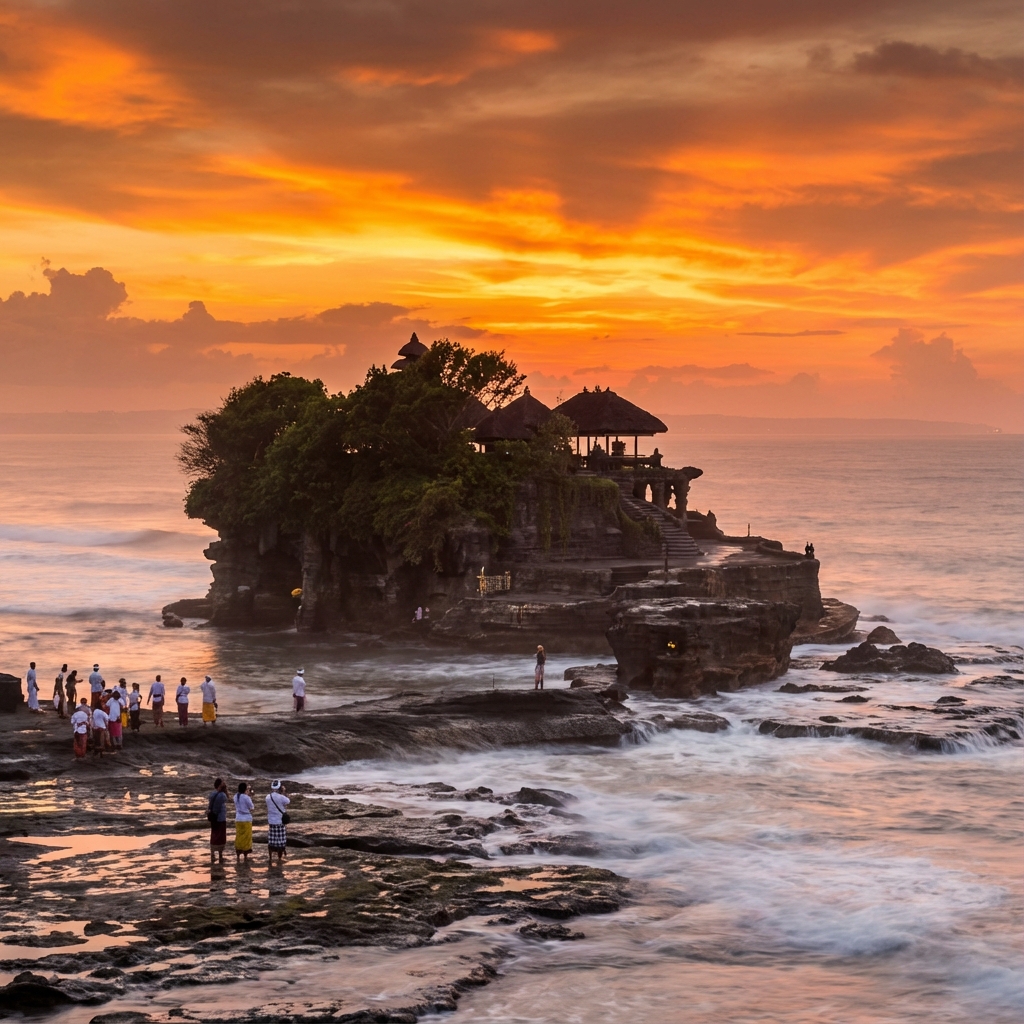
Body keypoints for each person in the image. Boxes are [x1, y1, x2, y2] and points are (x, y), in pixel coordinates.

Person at [266, 780, 290, 865]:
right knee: (281, 841)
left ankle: (270, 857)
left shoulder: (268, 797)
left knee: (271, 840)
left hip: (271, 821)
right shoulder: (281, 797)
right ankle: (279, 859)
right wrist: (283, 792)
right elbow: (288, 801)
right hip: (279, 821)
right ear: (280, 788)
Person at [207, 778, 228, 864]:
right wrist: (225, 789)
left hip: (213, 817)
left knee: (214, 834)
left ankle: (212, 853)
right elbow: (226, 798)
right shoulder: (222, 795)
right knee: (220, 837)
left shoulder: (212, 794)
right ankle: (220, 855)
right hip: (220, 818)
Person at [233, 782, 255, 863]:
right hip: (246, 819)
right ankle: (245, 852)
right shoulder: (246, 798)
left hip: (238, 818)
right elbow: (252, 808)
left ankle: (238, 851)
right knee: (247, 836)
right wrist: (249, 796)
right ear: (245, 789)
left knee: (239, 835)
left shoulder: (235, 796)